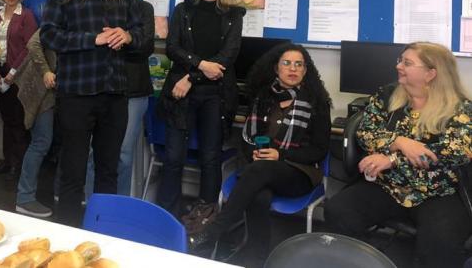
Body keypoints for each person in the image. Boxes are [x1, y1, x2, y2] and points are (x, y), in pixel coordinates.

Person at [325, 42, 472, 268]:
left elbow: (454, 153)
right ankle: (366, 262)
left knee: (439, 243)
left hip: (438, 192)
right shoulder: (387, 95)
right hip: (388, 186)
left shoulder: (461, 109)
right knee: (339, 211)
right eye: (400, 60)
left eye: (407, 63)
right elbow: (365, 133)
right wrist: (399, 142)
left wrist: (392, 159)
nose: (398, 66)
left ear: (431, 73)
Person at [189, 44, 331, 263]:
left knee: (259, 171)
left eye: (298, 64)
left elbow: (318, 151)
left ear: (305, 70)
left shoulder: (316, 102)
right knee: (259, 194)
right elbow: (247, 139)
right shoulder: (263, 97)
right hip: (261, 170)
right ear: (276, 68)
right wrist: (254, 153)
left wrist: (280, 155)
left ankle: (214, 231)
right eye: (287, 63)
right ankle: (257, 258)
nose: (292, 69)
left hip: (299, 173)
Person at [40, 0, 142, 226]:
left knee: (109, 170)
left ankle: (103, 233)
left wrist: (127, 35)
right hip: (76, 94)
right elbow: (49, 35)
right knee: (73, 171)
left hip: (114, 93)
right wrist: (91, 39)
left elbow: (140, 32)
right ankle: (70, 237)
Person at [157, 0, 245, 223]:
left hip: (214, 95)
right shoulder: (184, 10)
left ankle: (205, 216)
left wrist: (191, 77)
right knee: (173, 157)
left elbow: (226, 58)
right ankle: (167, 214)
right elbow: (172, 48)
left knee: (210, 156)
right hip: (181, 94)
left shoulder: (233, 16)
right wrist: (201, 65)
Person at [112, 0, 155, 196]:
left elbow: (145, 47)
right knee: (94, 153)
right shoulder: (98, 6)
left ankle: (119, 203)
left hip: (134, 90)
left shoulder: (143, 8)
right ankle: (90, 202)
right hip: (105, 88)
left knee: (124, 153)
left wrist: (123, 40)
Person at [0, 0, 38, 178]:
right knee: (6, 118)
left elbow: (29, 48)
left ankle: (19, 164)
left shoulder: (26, 15)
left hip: (18, 72)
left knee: (18, 120)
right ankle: (7, 161)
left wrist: (12, 73)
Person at [13, 29, 57, 218]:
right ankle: (24, 198)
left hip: (55, 89)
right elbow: (33, 43)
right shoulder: (60, 10)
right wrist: (46, 70)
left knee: (50, 142)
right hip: (42, 88)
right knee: (41, 142)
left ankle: (59, 192)